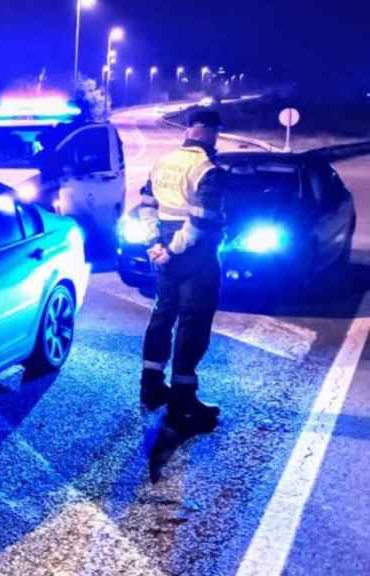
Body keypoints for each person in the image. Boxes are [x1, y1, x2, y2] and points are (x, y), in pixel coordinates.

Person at [136, 108, 225, 433]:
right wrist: (173, 250)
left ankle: (151, 386)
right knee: (193, 322)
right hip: (194, 256)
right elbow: (201, 220)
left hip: (163, 251)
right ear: (211, 131)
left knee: (162, 314)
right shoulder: (207, 169)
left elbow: (146, 206)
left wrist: (154, 246)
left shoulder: (162, 162)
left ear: (188, 129)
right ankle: (184, 402)